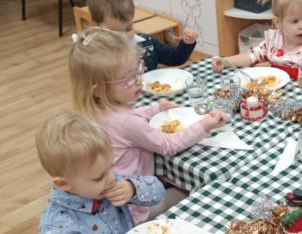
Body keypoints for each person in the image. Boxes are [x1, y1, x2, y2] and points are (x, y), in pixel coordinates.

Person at [69, 28, 226, 224]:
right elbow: (168, 145)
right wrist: (204, 125)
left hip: (113, 204)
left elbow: (128, 116)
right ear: (99, 90)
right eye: (129, 78)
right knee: (190, 194)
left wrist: (156, 108)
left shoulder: (97, 111)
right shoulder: (126, 123)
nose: (139, 80)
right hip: (135, 210)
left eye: (138, 68)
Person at [36, 110, 165, 234]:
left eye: (111, 166)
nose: (111, 177)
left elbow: (158, 192)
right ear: (64, 184)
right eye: (98, 177)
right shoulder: (57, 222)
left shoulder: (107, 181)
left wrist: (133, 188)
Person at [212, 0, 302, 88]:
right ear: (278, 23)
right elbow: (250, 57)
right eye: (295, 21)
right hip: (275, 93)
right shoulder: (273, 41)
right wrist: (225, 62)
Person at [87, 0, 197, 71]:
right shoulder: (97, 57)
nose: (124, 37)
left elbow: (175, 58)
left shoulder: (147, 43)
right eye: (115, 33)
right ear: (97, 27)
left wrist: (187, 43)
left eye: (128, 28)